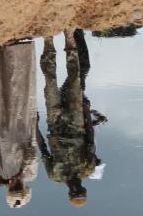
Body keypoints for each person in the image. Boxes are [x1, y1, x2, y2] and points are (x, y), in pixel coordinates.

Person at [38, 30, 103, 207]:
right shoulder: (87, 168)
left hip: (55, 122)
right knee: (74, 78)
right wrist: (86, 110)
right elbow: (90, 138)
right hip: (76, 121)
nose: (77, 188)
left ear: (69, 192)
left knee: (50, 81)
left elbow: (43, 151)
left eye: (75, 192)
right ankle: (69, 38)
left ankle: (48, 41)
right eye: (81, 190)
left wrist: (34, 126)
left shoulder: (55, 175)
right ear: (84, 189)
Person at [0, 41, 38, 210]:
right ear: (23, 188)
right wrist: (20, 173)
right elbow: (32, 154)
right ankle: (17, 50)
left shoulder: (4, 174)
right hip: (21, 126)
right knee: (18, 90)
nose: (14, 186)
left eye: (12, 189)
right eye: (18, 188)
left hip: (1, 128)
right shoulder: (30, 174)